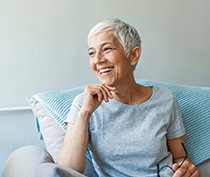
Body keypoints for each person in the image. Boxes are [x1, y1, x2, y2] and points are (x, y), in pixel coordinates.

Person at [57, 18, 200, 177]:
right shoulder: (83, 104)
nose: (98, 59)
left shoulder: (166, 99)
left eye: (106, 49)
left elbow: (180, 156)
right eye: (92, 52)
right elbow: (66, 172)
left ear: (133, 55)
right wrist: (84, 114)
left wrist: (186, 169)